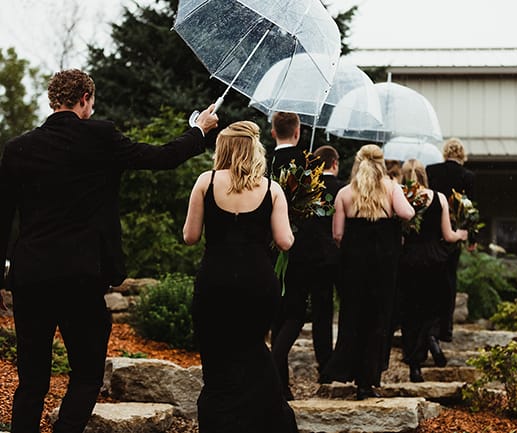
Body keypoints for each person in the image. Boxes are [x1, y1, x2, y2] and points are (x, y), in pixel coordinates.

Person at [0, 68, 219, 433]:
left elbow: (2, 216)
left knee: (32, 379)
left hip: (31, 276)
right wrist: (200, 131)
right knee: (87, 374)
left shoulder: (18, 148)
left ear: (53, 100)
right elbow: (161, 157)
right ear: (85, 99)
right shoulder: (100, 136)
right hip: (81, 276)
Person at [183, 120, 297, 433]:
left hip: (215, 283)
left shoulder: (205, 182)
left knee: (217, 360)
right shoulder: (271, 188)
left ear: (223, 149)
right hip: (257, 284)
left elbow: (190, 236)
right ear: (253, 150)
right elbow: (286, 241)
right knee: (253, 351)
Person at [320, 144, 415, 400]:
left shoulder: (344, 193)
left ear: (357, 162)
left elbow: (337, 234)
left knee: (353, 317)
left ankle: (348, 370)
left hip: (353, 265)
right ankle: (369, 379)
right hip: (384, 264)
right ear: (381, 163)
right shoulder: (391, 187)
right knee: (378, 318)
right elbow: (408, 212)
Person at [398, 159, 467, 382]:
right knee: (431, 308)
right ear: (423, 174)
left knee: (410, 312)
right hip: (434, 260)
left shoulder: (400, 197)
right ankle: (430, 338)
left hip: (408, 259)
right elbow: (448, 235)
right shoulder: (439, 198)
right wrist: (461, 235)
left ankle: (414, 366)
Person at [268, 111, 308, 400]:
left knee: (276, 313)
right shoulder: (306, 164)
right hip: (298, 245)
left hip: (267, 245)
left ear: (273, 133)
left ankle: (282, 387)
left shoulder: (263, 162)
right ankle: (273, 368)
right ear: (298, 132)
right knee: (295, 312)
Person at [425, 137, 475, 342]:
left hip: (431, 232)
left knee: (431, 280)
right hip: (454, 233)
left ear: (445, 153)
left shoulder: (431, 170)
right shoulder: (468, 176)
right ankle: (445, 329)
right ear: (462, 155)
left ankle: (429, 326)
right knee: (449, 279)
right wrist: (471, 238)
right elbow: (471, 210)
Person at [303, 145, 345, 377]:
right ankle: (341, 360)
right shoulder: (344, 189)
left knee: (322, 311)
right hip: (340, 256)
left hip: (314, 256)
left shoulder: (308, 189)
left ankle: (324, 362)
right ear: (335, 163)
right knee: (346, 308)